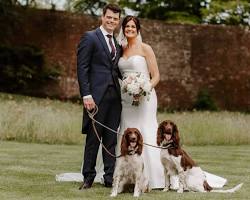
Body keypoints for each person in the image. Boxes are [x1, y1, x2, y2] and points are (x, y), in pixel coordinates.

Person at [95, 15, 227, 190]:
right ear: (123, 29)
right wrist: (129, 88)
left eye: (133, 27)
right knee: (126, 128)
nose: (130, 30)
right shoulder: (121, 49)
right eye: (127, 27)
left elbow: (156, 75)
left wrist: (144, 88)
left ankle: (156, 177)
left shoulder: (146, 48)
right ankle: (123, 176)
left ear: (138, 29)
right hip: (126, 98)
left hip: (145, 97)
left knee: (145, 128)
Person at [77, 4, 122, 189]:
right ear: (103, 17)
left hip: (115, 97)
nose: (112, 21)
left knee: (111, 139)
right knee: (93, 138)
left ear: (118, 21)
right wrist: (86, 94)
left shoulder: (117, 44)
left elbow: (116, 69)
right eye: (109, 17)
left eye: (115, 19)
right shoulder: (90, 37)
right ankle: (88, 176)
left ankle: (109, 177)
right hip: (95, 97)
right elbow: (82, 68)